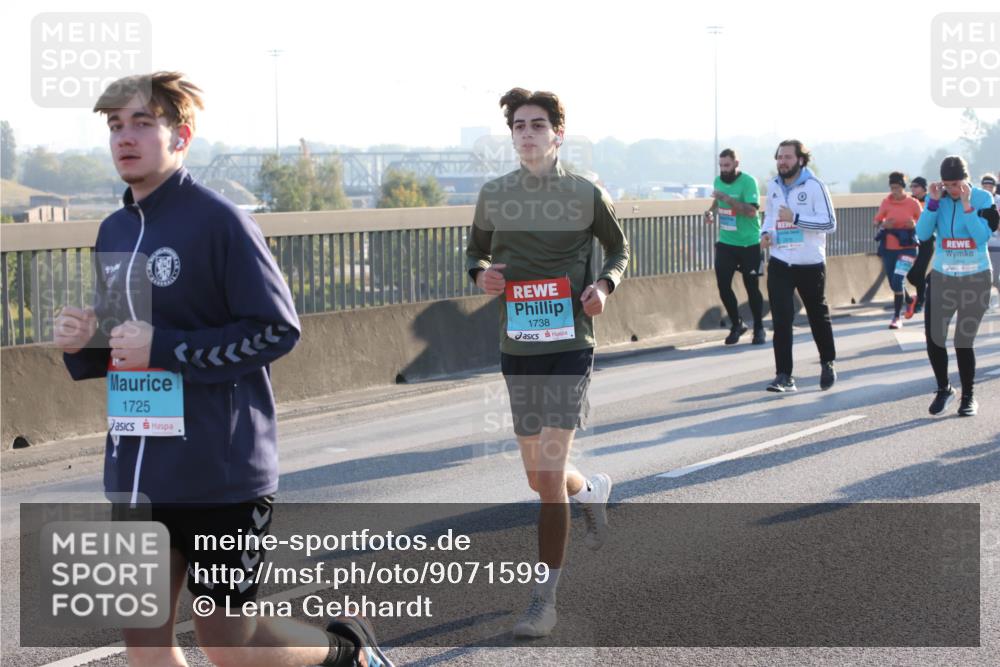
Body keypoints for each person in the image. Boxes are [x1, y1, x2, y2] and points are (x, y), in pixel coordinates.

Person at [53, 72, 391, 667]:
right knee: (143, 640)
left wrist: (167, 348)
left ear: (180, 136)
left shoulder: (219, 220)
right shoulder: (113, 228)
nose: (124, 137)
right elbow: (127, 340)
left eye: (142, 123)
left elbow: (276, 328)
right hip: (135, 471)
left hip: (220, 474)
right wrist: (86, 343)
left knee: (227, 643)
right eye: (114, 126)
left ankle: (345, 655)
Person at [466, 88, 629, 638]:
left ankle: (544, 599)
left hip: (570, 344)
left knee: (550, 476)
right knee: (541, 478)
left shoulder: (585, 193)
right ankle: (593, 490)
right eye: (519, 126)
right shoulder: (494, 194)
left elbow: (620, 250)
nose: (528, 133)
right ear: (511, 136)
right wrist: (481, 275)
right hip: (519, 346)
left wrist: (604, 285)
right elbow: (476, 254)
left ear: (558, 133)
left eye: (538, 124)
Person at [918, 156, 1000, 416]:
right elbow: (921, 234)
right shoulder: (937, 200)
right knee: (934, 338)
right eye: (947, 184)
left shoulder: (983, 199)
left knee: (963, 340)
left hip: (975, 276)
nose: (951, 189)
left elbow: (981, 237)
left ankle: (969, 397)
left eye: (956, 184)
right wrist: (931, 203)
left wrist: (966, 206)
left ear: (966, 180)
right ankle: (944, 389)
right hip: (944, 275)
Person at [760, 139, 837, 393]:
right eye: (779, 157)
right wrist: (766, 234)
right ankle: (784, 375)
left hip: (810, 262)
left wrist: (795, 218)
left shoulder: (815, 186)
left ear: (801, 160)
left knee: (817, 315)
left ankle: (827, 362)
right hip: (781, 260)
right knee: (781, 319)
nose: (782, 162)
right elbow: (770, 216)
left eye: (788, 157)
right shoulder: (773, 186)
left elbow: (829, 224)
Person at [703, 148, 766, 345]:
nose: (723, 169)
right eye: (721, 166)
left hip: (749, 243)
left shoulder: (748, 182)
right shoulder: (718, 181)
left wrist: (729, 199)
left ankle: (759, 327)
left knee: (751, 287)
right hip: (726, 242)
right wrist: (711, 212)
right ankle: (737, 324)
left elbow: (751, 212)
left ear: (736, 164)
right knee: (723, 285)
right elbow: (717, 201)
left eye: (727, 165)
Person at [873, 172, 922, 328]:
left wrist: (914, 225)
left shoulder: (913, 203)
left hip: (908, 249)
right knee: (893, 282)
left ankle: (896, 317)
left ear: (903, 187)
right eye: (892, 188)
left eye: (897, 188)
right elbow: (876, 221)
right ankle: (909, 300)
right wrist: (883, 225)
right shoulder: (886, 202)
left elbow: (925, 224)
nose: (894, 191)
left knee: (898, 279)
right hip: (889, 248)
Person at [906, 176, 932, 314]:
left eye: (916, 186)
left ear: (923, 187)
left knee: (919, 272)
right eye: (912, 186)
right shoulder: (909, 201)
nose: (913, 189)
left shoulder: (930, 201)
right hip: (912, 241)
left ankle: (920, 301)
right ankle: (925, 293)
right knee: (911, 275)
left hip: (927, 241)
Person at [982, 173, 1000, 304]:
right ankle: (983, 303)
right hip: (982, 244)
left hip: (997, 244)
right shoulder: (977, 200)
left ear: (995, 187)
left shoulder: (999, 200)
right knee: (983, 277)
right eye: (985, 185)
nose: (988, 188)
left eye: (990, 185)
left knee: (994, 278)